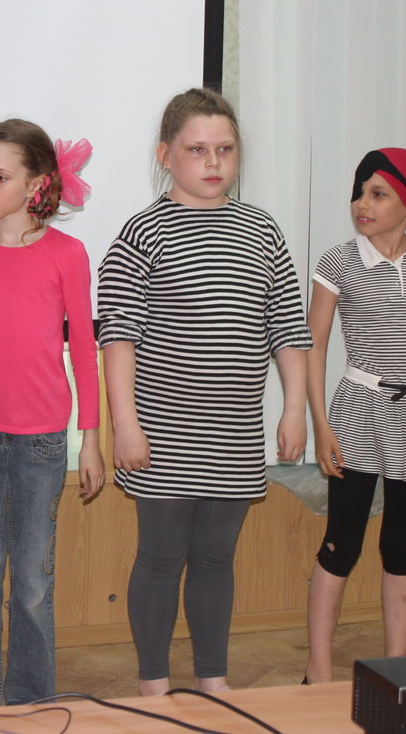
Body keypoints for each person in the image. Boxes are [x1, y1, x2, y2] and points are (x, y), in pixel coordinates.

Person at [98, 87, 311, 694]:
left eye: (225, 149)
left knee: (217, 559)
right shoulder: (142, 233)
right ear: (166, 155)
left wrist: (294, 410)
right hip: (163, 434)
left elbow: (288, 327)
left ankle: (213, 679)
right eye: (197, 149)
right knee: (162, 558)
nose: (213, 162)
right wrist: (126, 425)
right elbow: (118, 338)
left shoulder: (262, 231)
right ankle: (154, 684)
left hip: (233, 433)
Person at [0, 119, 104, 708]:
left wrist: (91, 437)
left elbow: (84, 348)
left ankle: (31, 702)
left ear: (37, 185)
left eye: (0, 176)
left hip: (41, 442)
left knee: (32, 582)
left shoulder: (67, 254)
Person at [303, 148, 406, 684]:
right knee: (341, 543)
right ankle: (319, 669)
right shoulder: (339, 261)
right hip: (357, 411)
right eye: (359, 193)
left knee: (401, 545)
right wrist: (321, 424)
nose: (362, 204)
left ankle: (396, 670)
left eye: (378, 194)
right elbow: (314, 345)